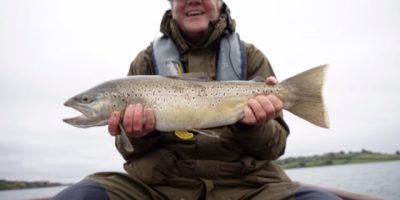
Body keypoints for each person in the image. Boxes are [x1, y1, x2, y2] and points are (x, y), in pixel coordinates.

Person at [53, 0, 341, 199]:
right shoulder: (143, 62)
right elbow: (129, 152)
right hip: (157, 189)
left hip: (250, 187)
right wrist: (143, 136)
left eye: (88, 100)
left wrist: (251, 126)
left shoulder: (251, 57)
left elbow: (275, 146)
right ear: (171, 5)